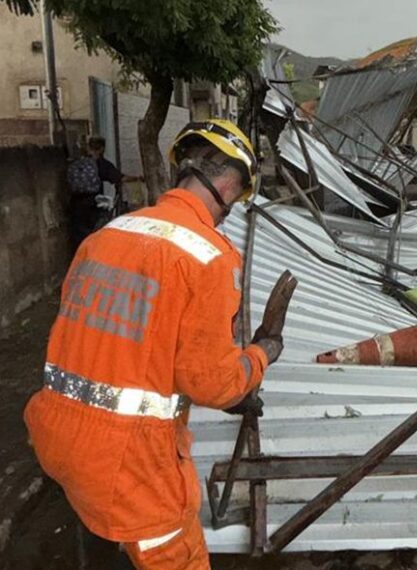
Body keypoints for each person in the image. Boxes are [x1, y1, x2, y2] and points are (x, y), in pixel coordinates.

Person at [25, 119, 284, 569]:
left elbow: (119, 338)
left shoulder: (106, 236)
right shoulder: (210, 256)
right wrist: (262, 353)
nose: (230, 211)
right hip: (130, 467)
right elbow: (213, 385)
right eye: (238, 197)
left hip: (57, 437)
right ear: (229, 182)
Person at [68, 136, 142, 246]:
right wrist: (138, 178)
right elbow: (120, 178)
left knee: (78, 238)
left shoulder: (78, 161)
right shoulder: (101, 163)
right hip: (93, 205)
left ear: (88, 147)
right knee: (93, 237)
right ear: (102, 148)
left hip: (75, 205)